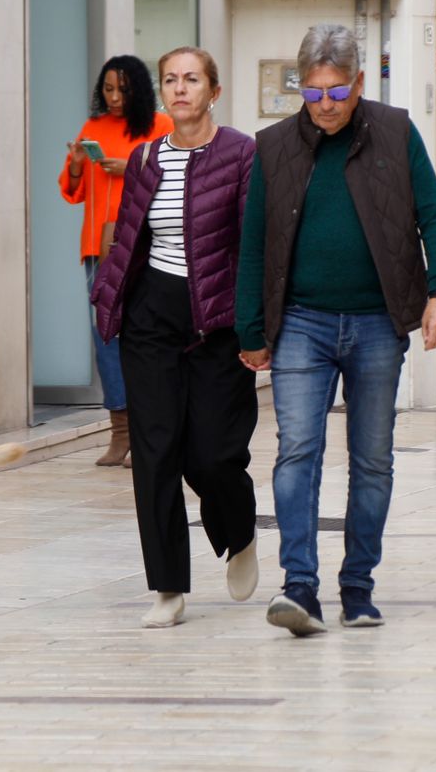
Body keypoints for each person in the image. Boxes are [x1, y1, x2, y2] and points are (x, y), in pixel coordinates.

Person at [237, 23, 436, 635]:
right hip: (301, 323)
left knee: (373, 459)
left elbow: (433, 217)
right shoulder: (273, 147)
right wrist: (250, 330)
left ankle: (358, 586)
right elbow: (253, 244)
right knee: (297, 453)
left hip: (377, 323)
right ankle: (299, 588)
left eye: (336, 92)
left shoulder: (394, 131)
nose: (325, 105)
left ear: (359, 83)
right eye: (312, 93)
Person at [91, 47, 258, 628]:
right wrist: (109, 300)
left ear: (214, 90)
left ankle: (239, 533)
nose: (180, 89)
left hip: (217, 317)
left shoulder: (241, 154)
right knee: (156, 453)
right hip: (151, 318)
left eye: (192, 79)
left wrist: (257, 324)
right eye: (171, 80)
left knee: (213, 454)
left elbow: (253, 245)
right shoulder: (142, 160)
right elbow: (128, 239)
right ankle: (167, 587)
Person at [61, 56, 173, 467]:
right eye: (107, 89)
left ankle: (147, 430)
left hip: (147, 243)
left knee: (144, 334)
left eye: (121, 89)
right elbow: (71, 192)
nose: (113, 97)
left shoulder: (160, 127)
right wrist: (76, 167)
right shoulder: (93, 128)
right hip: (100, 246)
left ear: (138, 90)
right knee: (105, 337)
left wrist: (132, 167)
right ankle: (120, 430)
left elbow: (176, 175)